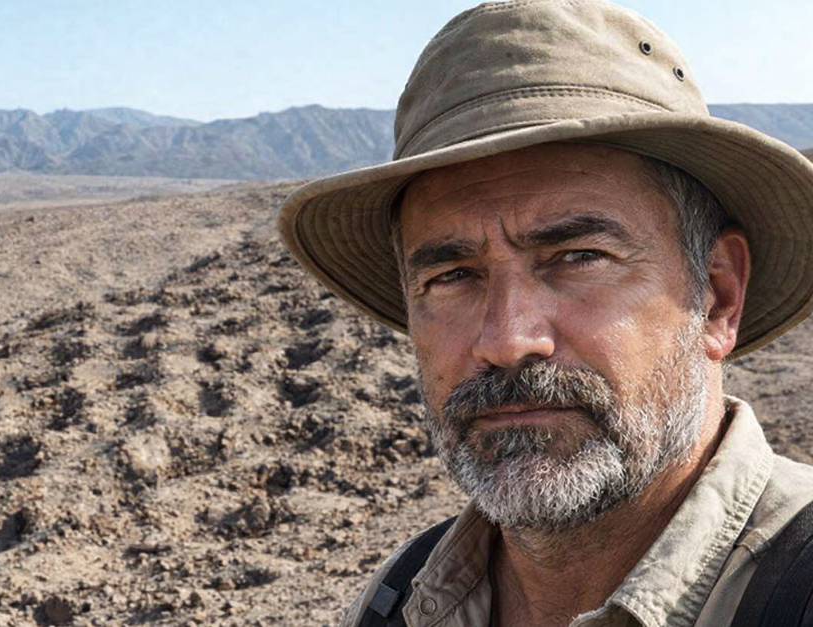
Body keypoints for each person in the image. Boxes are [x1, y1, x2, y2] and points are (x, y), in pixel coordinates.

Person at [277, 1, 813, 626]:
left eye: (579, 256)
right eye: (452, 276)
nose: (508, 340)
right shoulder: (400, 598)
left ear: (717, 296)